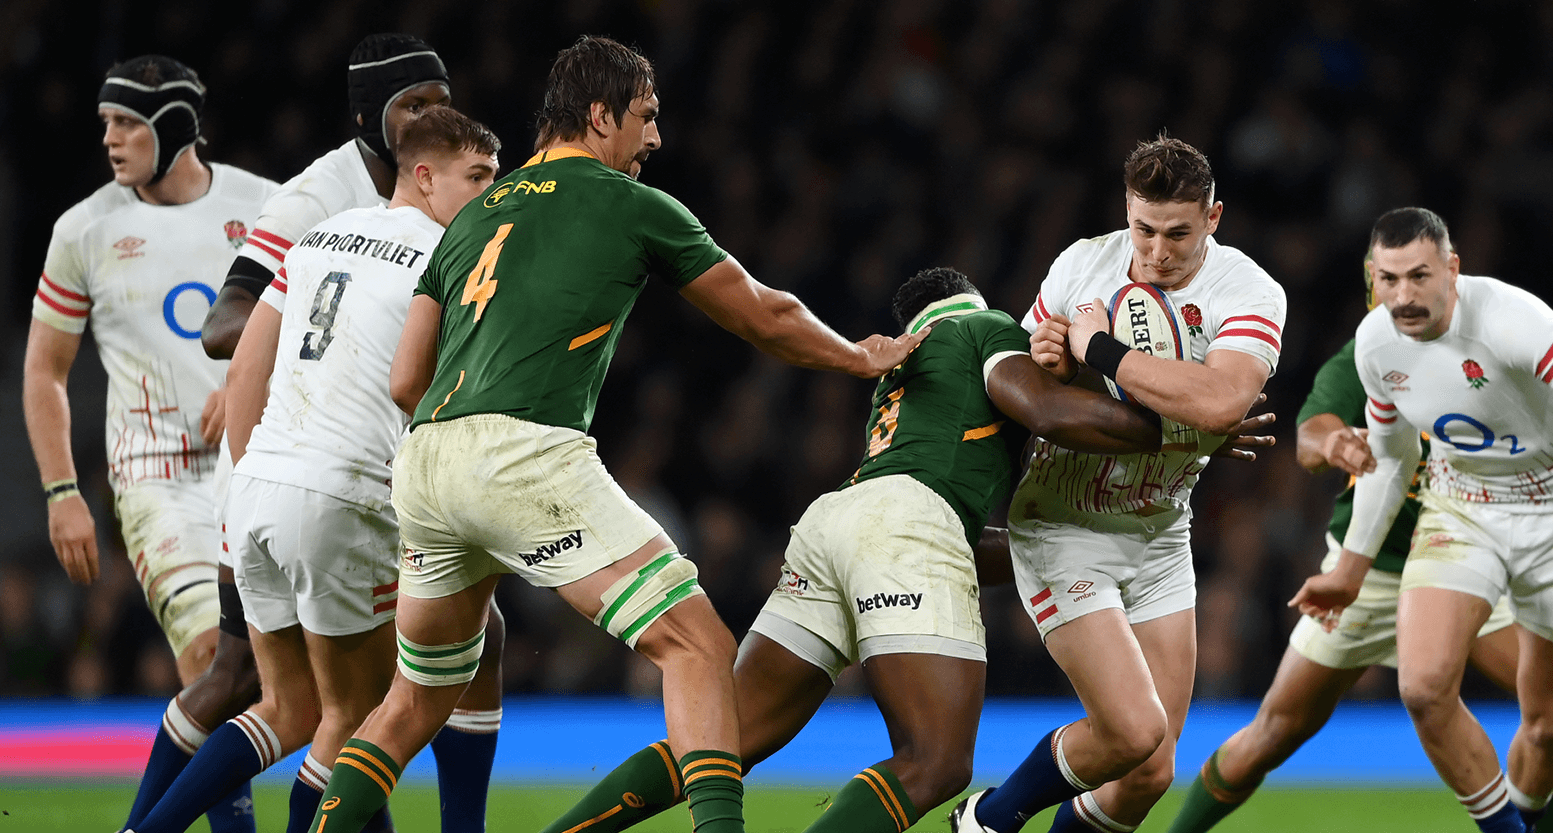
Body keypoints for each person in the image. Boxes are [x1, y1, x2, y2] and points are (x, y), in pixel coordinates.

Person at [304, 35, 918, 833]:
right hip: (521, 451)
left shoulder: (470, 213)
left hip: (425, 459)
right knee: (696, 643)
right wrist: (857, 356)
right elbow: (762, 313)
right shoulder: (625, 202)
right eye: (646, 116)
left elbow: (404, 379)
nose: (656, 138)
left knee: (414, 697)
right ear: (599, 116)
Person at [538, 267, 1277, 833]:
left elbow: (953, 536)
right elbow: (1047, 410)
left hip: (836, 522)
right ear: (970, 297)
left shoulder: (901, 373)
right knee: (935, 763)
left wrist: (1055, 556)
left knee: (720, 738)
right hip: (902, 530)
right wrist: (1179, 428)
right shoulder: (981, 329)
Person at [131, 34, 501, 833]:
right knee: (354, 714)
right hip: (341, 490)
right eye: (479, 179)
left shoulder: (321, 239)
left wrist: (250, 485)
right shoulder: (399, 237)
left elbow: (249, 369)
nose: (488, 199)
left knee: (288, 705)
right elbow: (414, 385)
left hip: (261, 479)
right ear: (420, 165)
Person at [1165, 267, 1553, 833]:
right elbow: (1311, 433)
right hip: (1371, 576)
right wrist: (1333, 442)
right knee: (1272, 734)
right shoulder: (1365, 357)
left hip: (1469, 564)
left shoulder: (1491, 350)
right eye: (1386, 291)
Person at [953, 135, 1286, 833]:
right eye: (1143, 229)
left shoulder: (1249, 289)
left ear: (1213, 219)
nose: (1157, 250)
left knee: (1149, 772)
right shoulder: (1082, 264)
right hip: (1062, 520)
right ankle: (984, 819)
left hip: (1161, 528)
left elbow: (1222, 401)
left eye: (1177, 233)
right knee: (1131, 730)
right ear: (1125, 211)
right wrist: (1051, 360)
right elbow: (1018, 393)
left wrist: (1097, 349)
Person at [1289, 207, 1553, 833]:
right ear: (1373, 279)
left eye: (1419, 276)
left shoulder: (1510, 320)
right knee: (1423, 687)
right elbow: (1394, 455)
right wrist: (1350, 568)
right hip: (1461, 506)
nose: (1403, 296)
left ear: (1452, 270)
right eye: (1388, 279)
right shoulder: (1376, 344)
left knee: (1549, 729)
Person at [22, 55, 278, 833]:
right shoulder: (86, 229)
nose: (110, 137)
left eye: (127, 121)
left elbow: (309, 330)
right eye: (105, 121)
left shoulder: (265, 208)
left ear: (175, 126)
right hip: (154, 475)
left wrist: (243, 387)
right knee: (211, 655)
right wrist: (62, 491)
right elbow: (44, 370)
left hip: (258, 463)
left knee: (297, 680)